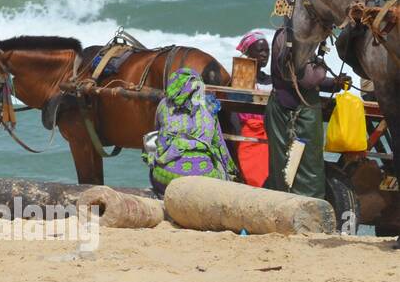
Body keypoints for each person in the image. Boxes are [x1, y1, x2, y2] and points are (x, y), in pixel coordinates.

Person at [266, 26, 347, 198]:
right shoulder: (288, 38)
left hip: (303, 112)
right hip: (289, 114)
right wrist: (322, 67)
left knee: (309, 166)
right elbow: (309, 80)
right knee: (290, 169)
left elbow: (308, 77)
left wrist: (333, 83)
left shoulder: (303, 38)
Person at [144, 67, 236, 196]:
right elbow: (218, 143)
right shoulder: (209, 104)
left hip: (167, 177)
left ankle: (160, 194)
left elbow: (158, 135)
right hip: (205, 175)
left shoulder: (163, 104)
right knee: (220, 169)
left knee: (153, 159)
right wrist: (228, 170)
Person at [233, 31, 271, 187]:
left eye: (267, 51)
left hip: (269, 132)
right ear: (248, 52)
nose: (264, 54)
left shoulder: (271, 80)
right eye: (260, 50)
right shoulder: (241, 78)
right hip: (248, 135)